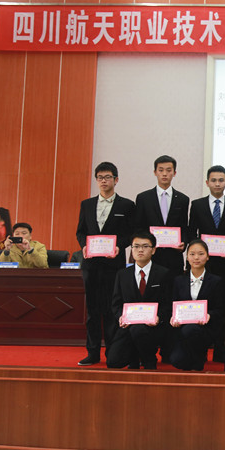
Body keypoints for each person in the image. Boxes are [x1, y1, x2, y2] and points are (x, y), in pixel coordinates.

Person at [75, 161, 135, 366]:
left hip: (113, 266)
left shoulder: (126, 205)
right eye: (100, 177)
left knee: (112, 311)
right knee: (92, 312)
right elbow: (81, 231)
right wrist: (84, 245)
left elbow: (131, 233)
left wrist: (119, 246)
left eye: (107, 177)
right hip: (91, 265)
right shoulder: (87, 204)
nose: (103, 181)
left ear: (116, 180)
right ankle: (92, 352)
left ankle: (112, 352)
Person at [188, 165, 225, 362]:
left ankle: (220, 348)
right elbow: (191, 232)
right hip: (201, 265)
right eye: (213, 180)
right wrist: (196, 251)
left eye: (221, 180)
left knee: (220, 306)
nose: (217, 183)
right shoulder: (197, 205)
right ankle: (200, 348)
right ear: (207, 183)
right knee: (201, 304)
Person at [107, 231, 172, 370]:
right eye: (136, 246)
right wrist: (120, 317)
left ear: (153, 250)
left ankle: (149, 361)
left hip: (153, 327)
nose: (140, 250)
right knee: (113, 362)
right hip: (128, 326)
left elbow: (168, 304)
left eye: (145, 246)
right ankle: (134, 357)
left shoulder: (163, 273)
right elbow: (116, 304)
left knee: (139, 330)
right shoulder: (122, 274)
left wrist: (159, 317)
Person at [169, 239, 225, 371]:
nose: (196, 258)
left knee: (191, 331)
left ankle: (198, 360)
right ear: (187, 257)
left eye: (201, 254)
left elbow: (220, 309)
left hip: (206, 328)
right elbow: (173, 304)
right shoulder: (179, 280)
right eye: (192, 254)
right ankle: (196, 357)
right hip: (183, 328)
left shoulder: (216, 281)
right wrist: (173, 317)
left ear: (207, 256)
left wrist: (209, 315)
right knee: (176, 360)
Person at [134, 155, 190, 277]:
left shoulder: (183, 199)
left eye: (169, 170)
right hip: (151, 256)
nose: (164, 174)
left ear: (174, 173)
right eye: (161, 170)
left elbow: (184, 227)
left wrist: (184, 243)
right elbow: (138, 227)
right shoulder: (143, 198)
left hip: (173, 257)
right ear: (155, 172)